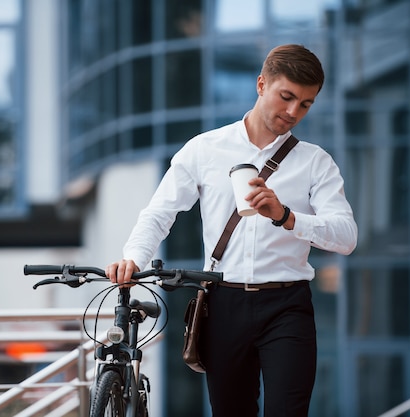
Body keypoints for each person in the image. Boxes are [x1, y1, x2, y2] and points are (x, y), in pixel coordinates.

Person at [106, 44, 357, 416]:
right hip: (222, 303)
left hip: (287, 304)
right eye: (286, 97)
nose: (293, 112)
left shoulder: (315, 162)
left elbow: (346, 236)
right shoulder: (205, 149)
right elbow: (160, 212)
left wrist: (286, 215)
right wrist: (133, 258)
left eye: (305, 104)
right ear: (261, 84)